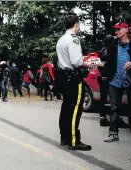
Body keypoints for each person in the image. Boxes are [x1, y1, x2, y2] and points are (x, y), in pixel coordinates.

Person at [56, 13, 95, 151]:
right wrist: (89, 64)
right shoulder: (74, 39)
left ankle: (64, 137)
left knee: (66, 108)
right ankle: (73, 140)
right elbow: (76, 61)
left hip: (64, 77)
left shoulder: (61, 39)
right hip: (73, 78)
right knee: (75, 110)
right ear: (76, 24)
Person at [103, 22, 131, 142]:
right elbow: (105, 60)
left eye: (119, 29)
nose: (117, 32)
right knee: (114, 108)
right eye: (115, 30)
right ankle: (113, 133)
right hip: (115, 81)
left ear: (126, 30)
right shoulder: (112, 46)